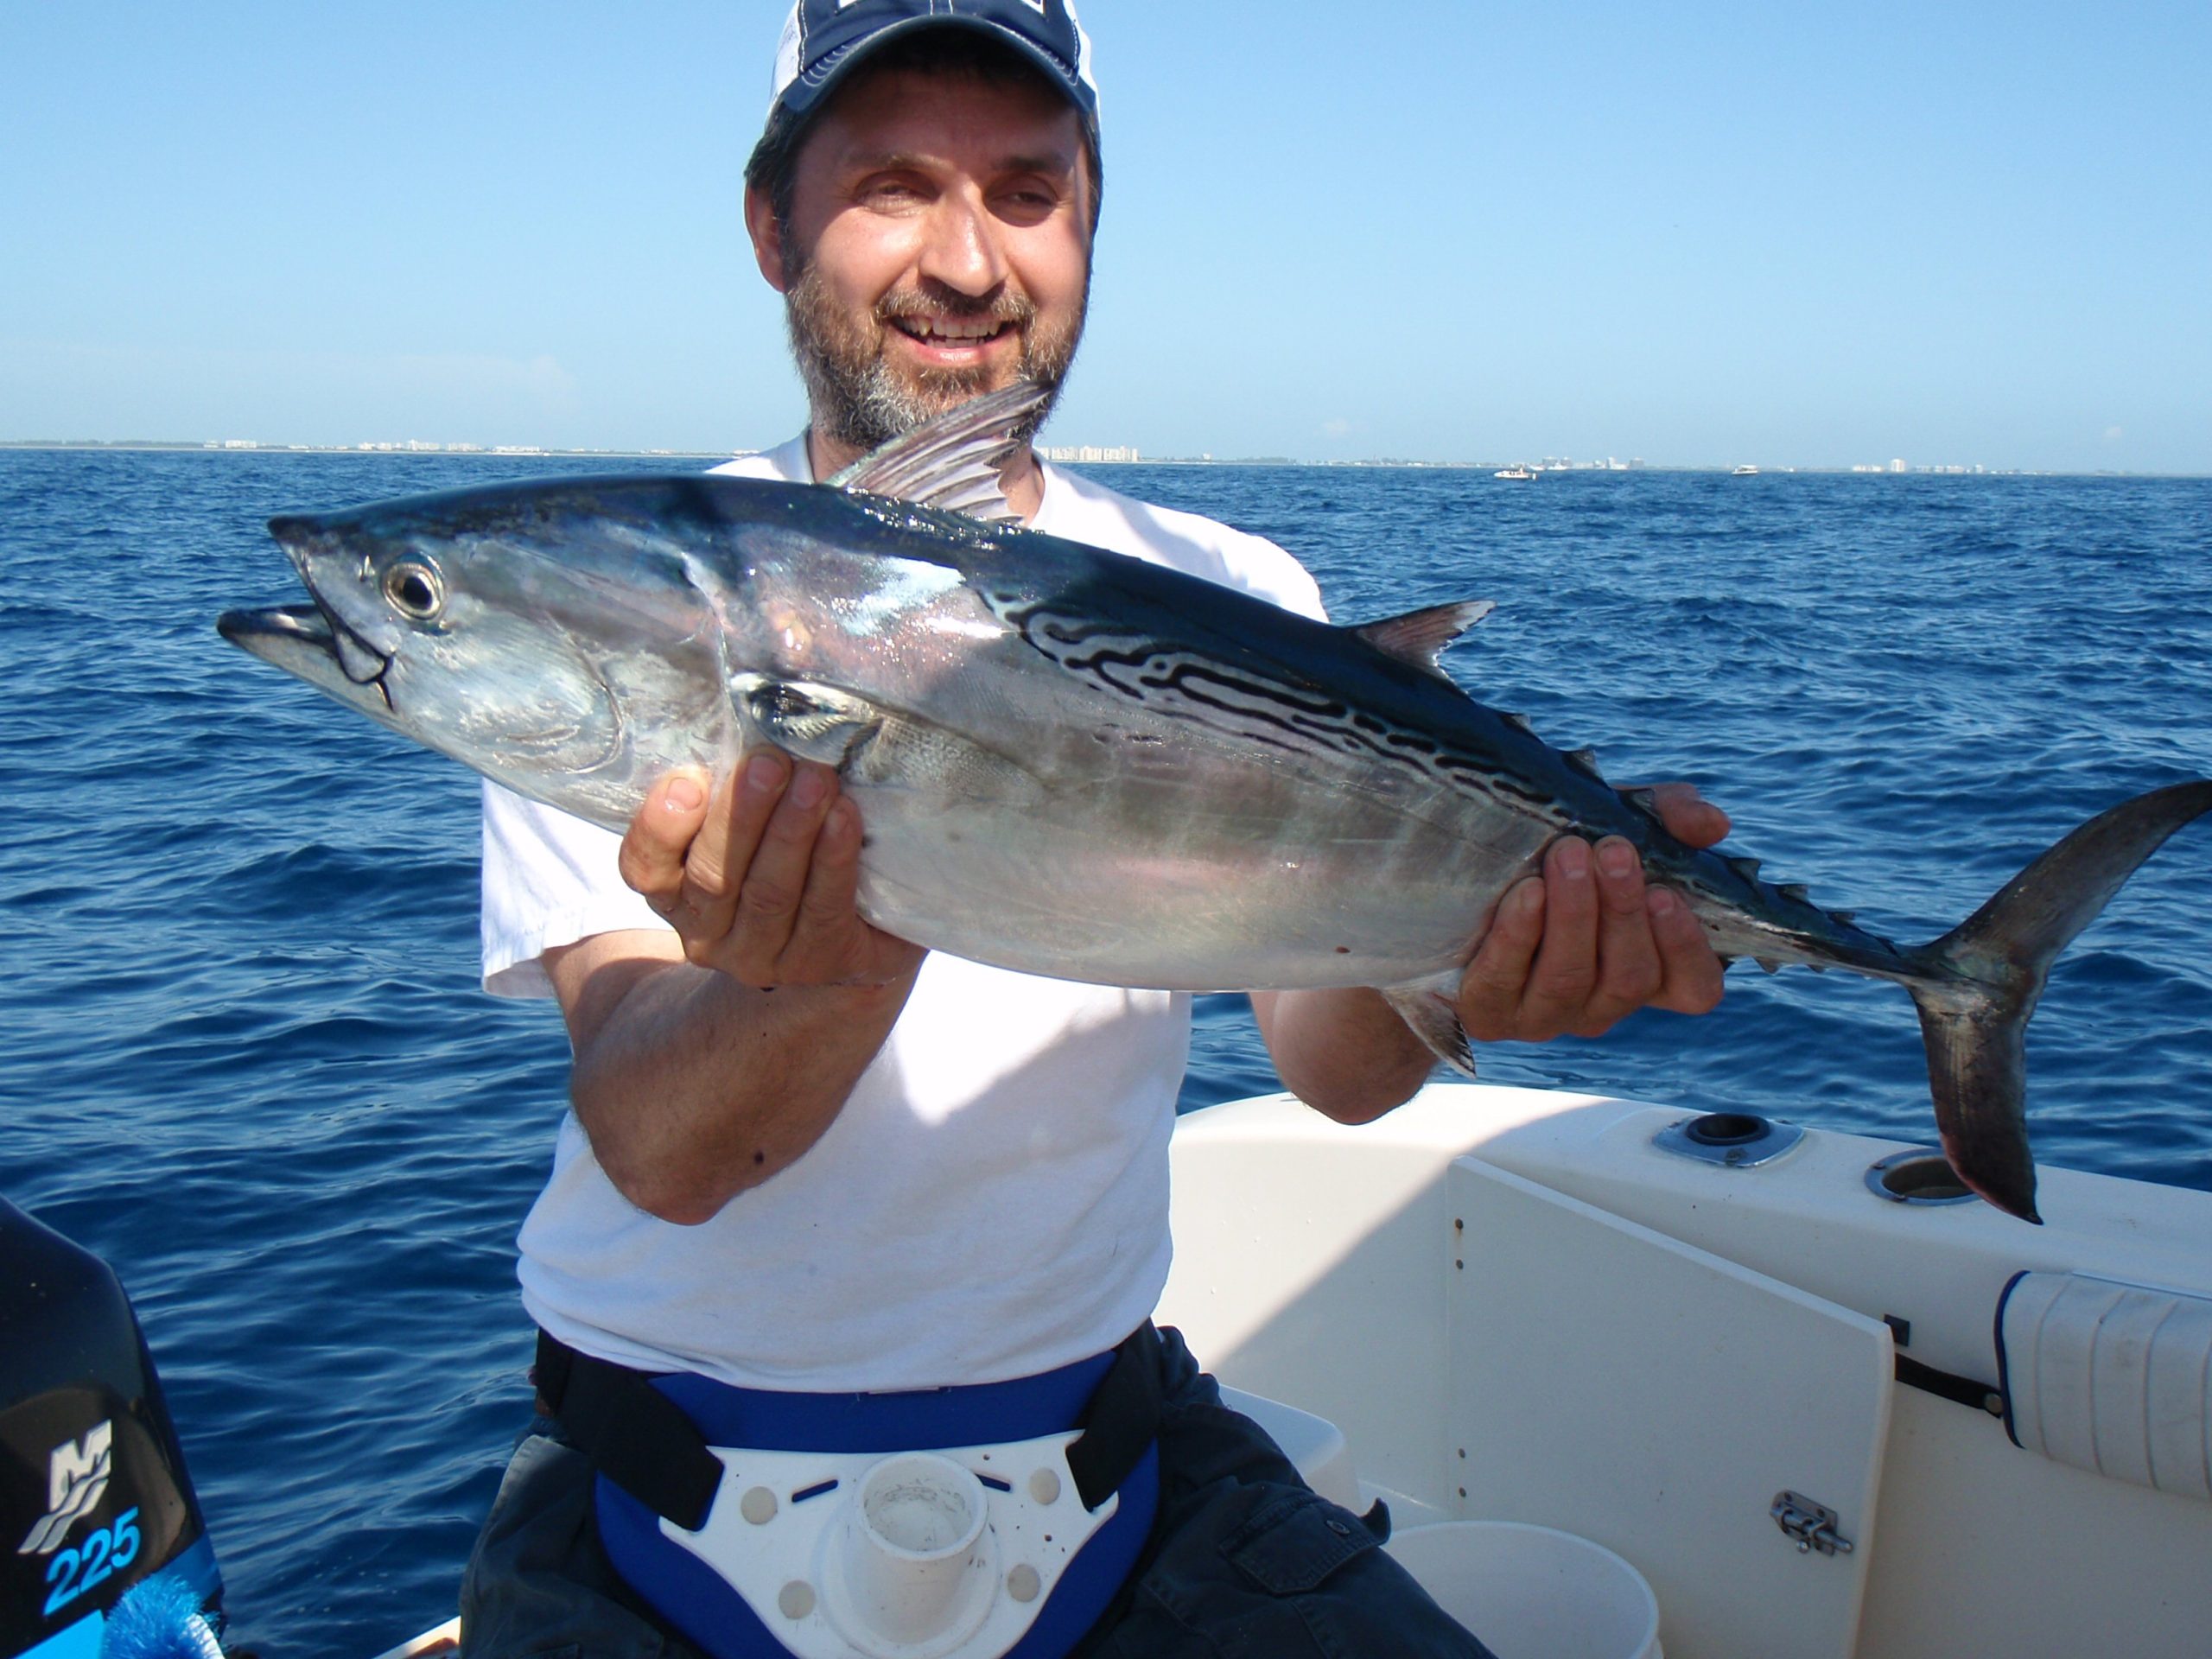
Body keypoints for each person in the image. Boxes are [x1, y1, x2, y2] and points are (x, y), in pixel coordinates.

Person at [458, 4, 1729, 1657]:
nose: (967, 261)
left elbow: (1339, 1070)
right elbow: (665, 1151)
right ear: (772, 226)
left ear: (1091, 224)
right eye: (894, 185)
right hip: (659, 1485)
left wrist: (1472, 966)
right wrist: (837, 955)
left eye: (1029, 192)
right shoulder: (645, 592)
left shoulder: (1228, 586)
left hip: (1117, 1461)